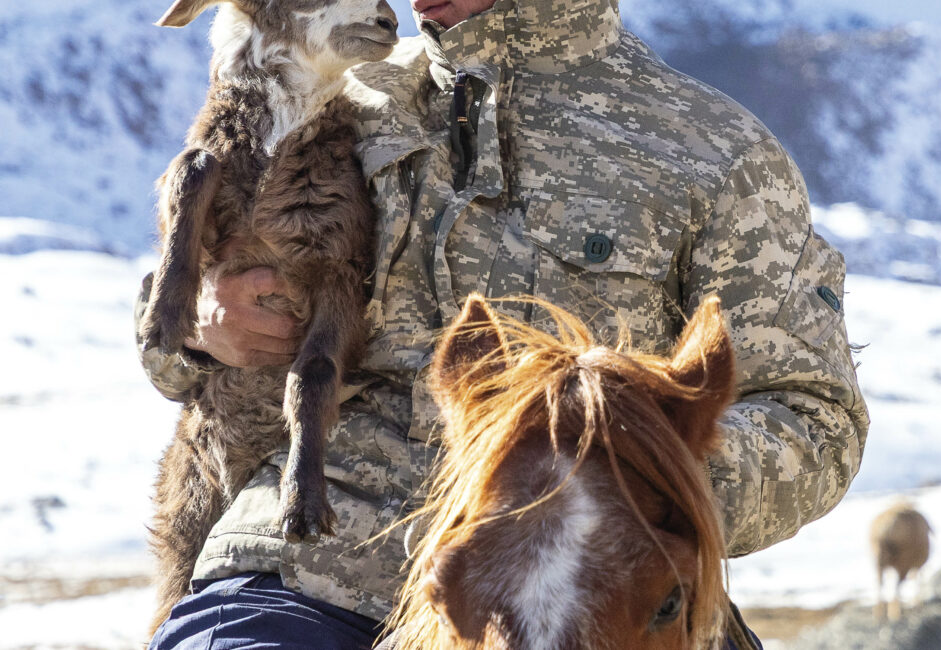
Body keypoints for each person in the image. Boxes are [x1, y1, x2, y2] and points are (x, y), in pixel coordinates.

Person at [137, 0, 870, 647]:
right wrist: (205, 324)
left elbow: (813, 416)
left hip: (590, 594)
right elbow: (168, 327)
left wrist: (635, 488)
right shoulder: (334, 86)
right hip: (308, 571)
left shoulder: (715, 153)